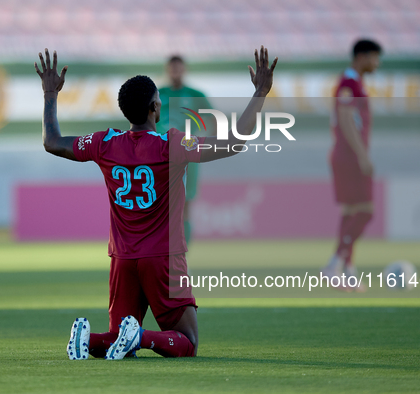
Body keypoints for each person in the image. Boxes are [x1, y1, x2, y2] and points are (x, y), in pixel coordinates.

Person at [35, 47, 277, 359]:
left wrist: (50, 93)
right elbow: (233, 142)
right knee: (187, 341)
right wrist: (259, 92)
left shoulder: (104, 143)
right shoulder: (173, 144)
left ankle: (88, 340)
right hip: (163, 257)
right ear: (154, 108)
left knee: (114, 337)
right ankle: (141, 336)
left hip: (122, 258)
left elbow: (52, 142)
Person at [321, 39, 382, 291]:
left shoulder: (352, 82)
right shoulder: (349, 83)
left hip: (345, 154)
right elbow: (346, 120)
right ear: (362, 56)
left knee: (350, 212)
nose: (377, 63)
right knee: (365, 211)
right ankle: (334, 264)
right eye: (375, 57)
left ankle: (347, 270)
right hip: (350, 156)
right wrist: (362, 155)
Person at [157, 55, 212, 245]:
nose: (175, 72)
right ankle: (161, 255)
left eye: (178, 68)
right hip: (160, 156)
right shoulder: (157, 94)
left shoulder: (196, 95)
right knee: (159, 206)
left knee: (185, 206)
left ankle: (182, 257)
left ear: (184, 69)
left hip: (187, 157)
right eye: (172, 68)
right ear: (167, 70)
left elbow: (214, 122)